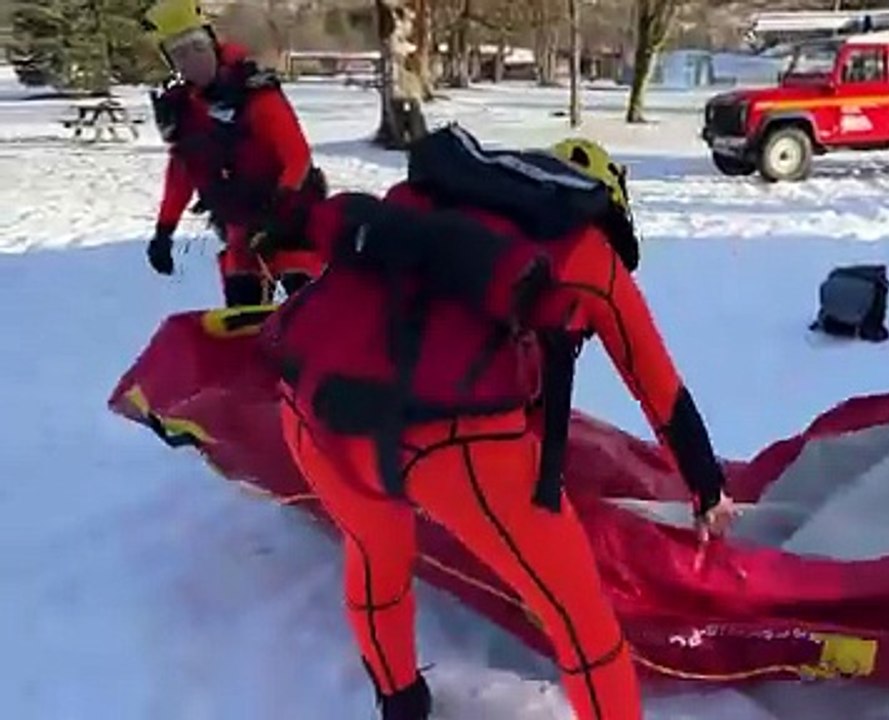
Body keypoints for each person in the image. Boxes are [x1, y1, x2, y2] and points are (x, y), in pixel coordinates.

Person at [258, 127, 736, 720]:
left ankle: (401, 703)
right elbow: (658, 388)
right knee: (581, 622)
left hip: (316, 414)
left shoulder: (421, 200)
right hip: (459, 447)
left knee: (376, 553)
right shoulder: (588, 251)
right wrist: (706, 488)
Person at [141, 0, 327, 306]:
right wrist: (164, 230)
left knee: (310, 306)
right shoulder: (184, 111)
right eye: (180, 54)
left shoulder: (256, 94)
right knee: (243, 305)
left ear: (213, 45)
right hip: (240, 221)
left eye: (198, 48)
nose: (193, 60)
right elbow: (183, 172)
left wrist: (277, 212)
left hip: (292, 214)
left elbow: (297, 157)